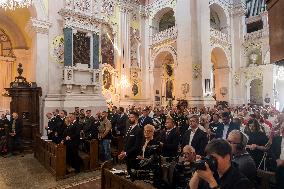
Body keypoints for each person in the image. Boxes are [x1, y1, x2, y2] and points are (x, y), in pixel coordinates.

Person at [189, 139, 253, 189]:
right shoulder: (212, 171)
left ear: (227, 157)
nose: (211, 161)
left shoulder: (241, 182)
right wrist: (198, 170)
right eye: (208, 157)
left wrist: (211, 181)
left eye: (214, 158)